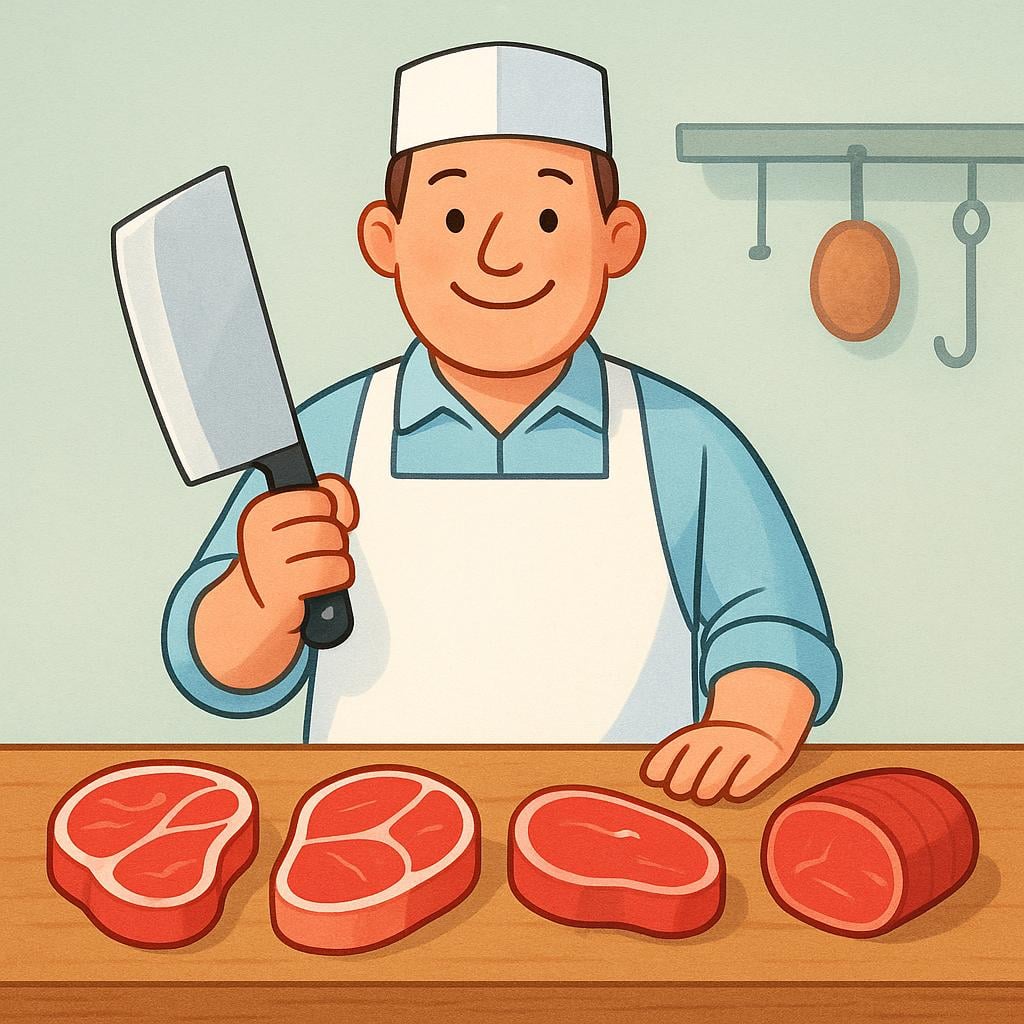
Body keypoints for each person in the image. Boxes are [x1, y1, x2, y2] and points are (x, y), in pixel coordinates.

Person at [164, 42, 841, 804]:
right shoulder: (326, 436)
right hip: (365, 848)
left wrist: (753, 721)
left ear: (618, 240)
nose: (498, 255)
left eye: (548, 215)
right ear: (383, 241)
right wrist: (258, 602)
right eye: (454, 216)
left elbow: (770, 624)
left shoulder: (685, 442)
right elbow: (215, 671)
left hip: (631, 838)